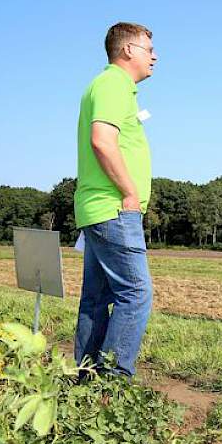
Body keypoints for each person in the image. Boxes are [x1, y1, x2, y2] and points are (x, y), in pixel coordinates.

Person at [73, 22, 158, 377]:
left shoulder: (108, 86)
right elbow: (102, 141)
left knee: (97, 299)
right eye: (148, 49)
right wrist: (129, 193)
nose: (154, 56)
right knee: (136, 294)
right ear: (127, 51)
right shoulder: (113, 84)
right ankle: (111, 385)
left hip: (97, 209)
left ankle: (86, 379)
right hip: (113, 208)